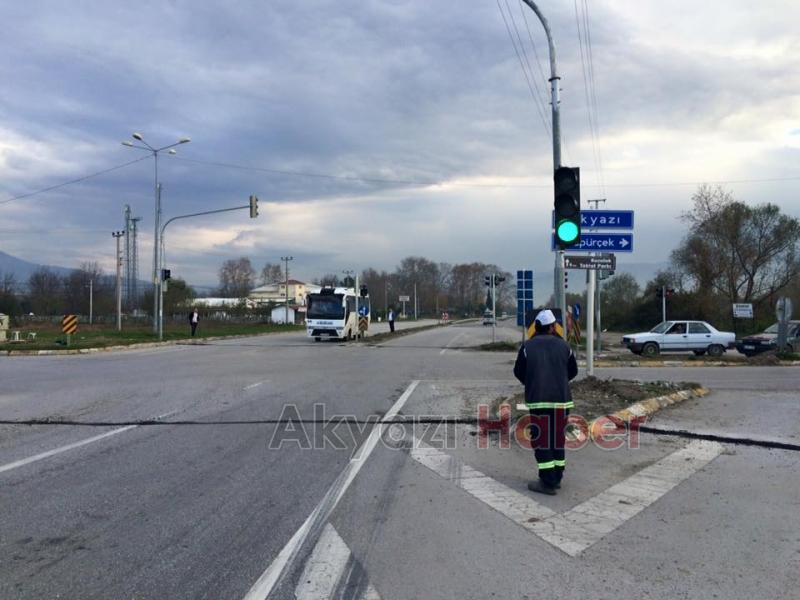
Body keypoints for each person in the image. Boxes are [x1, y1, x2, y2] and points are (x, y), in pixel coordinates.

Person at [513, 309, 578, 495]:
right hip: (561, 403)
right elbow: (572, 372)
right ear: (551, 327)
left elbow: (518, 372)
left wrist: (532, 382)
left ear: (537, 327)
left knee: (542, 441)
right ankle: (557, 477)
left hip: (539, 402)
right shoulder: (565, 346)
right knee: (557, 439)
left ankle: (547, 482)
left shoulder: (527, 347)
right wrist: (559, 381)